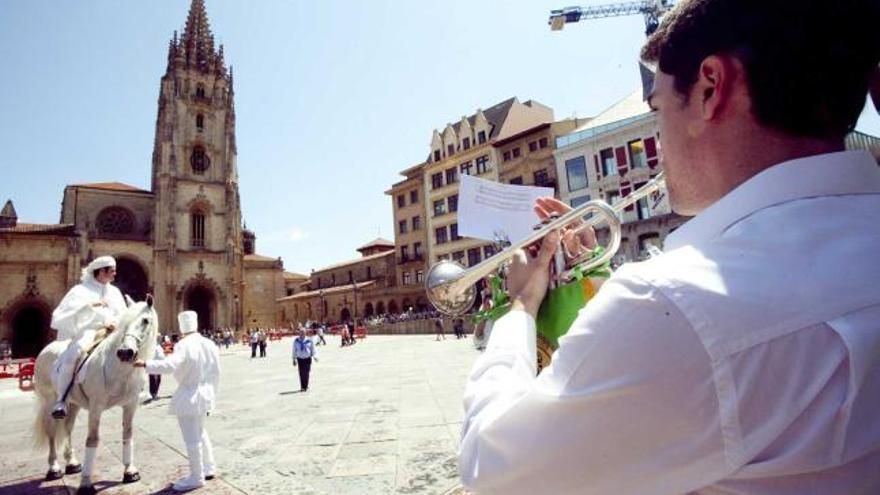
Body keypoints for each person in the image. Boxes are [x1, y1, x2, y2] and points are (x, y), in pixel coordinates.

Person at [459, 2, 880, 494]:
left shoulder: (669, 303)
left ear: (710, 87)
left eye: (657, 109)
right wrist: (601, 274)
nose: (658, 142)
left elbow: (492, 470)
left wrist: (520, 306)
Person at [134, 311, 220, 492]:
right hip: (205, 394)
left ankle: (196, 477)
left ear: (182, 328)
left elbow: (169, 366)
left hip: (189, 395)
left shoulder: (183, 345)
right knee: (201, 431)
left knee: (191, 438)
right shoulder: (210, 343)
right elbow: (216, 373)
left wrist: (145, 364)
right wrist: (212, 394)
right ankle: (209, 467)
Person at [49, 256, 126, 419]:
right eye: (111, 271)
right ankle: (61, 400)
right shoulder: (80, 290)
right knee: (72, 357)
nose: (114, 275)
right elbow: (65, 312)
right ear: (101, 272)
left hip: (112, 331)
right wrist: (88, 306)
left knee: (131, 350)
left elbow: (123, 314)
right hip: (89, 331)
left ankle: (136, 390)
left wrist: (115, 322)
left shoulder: (115, 291)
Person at [147, 336, 165, 402]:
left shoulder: (159, 346)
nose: (160, 339)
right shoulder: (151, 346)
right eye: (158, 338)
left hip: (159, 365)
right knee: (153, 379)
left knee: (158, 379)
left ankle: (155, 393)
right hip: (153, 364)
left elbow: (162, 355)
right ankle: (152, 394)